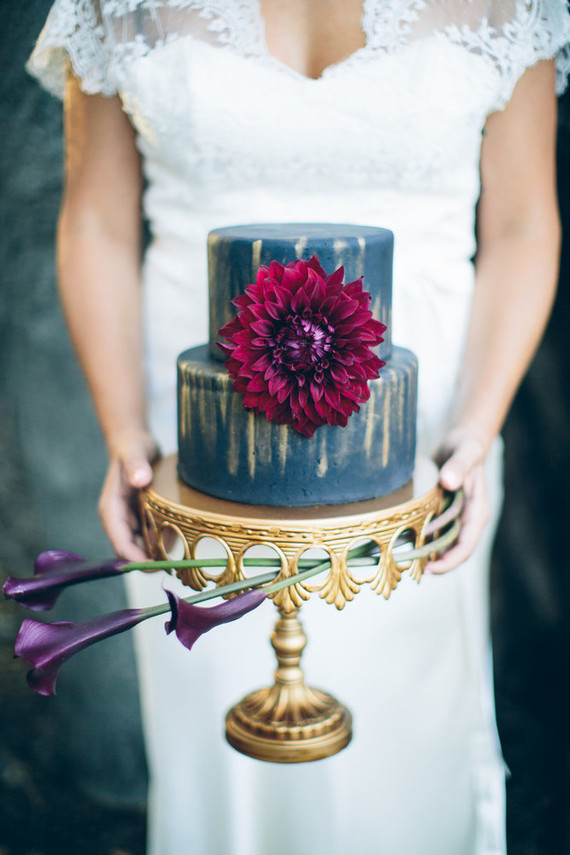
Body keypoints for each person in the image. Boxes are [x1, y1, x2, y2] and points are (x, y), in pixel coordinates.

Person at [27, 2, 569, 853]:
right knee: (220, 741)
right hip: (194, 437)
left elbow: (523, 222)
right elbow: (95, 219)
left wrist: (477, 425)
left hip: (425, 436)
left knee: (405, 739)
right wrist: (124, 429)